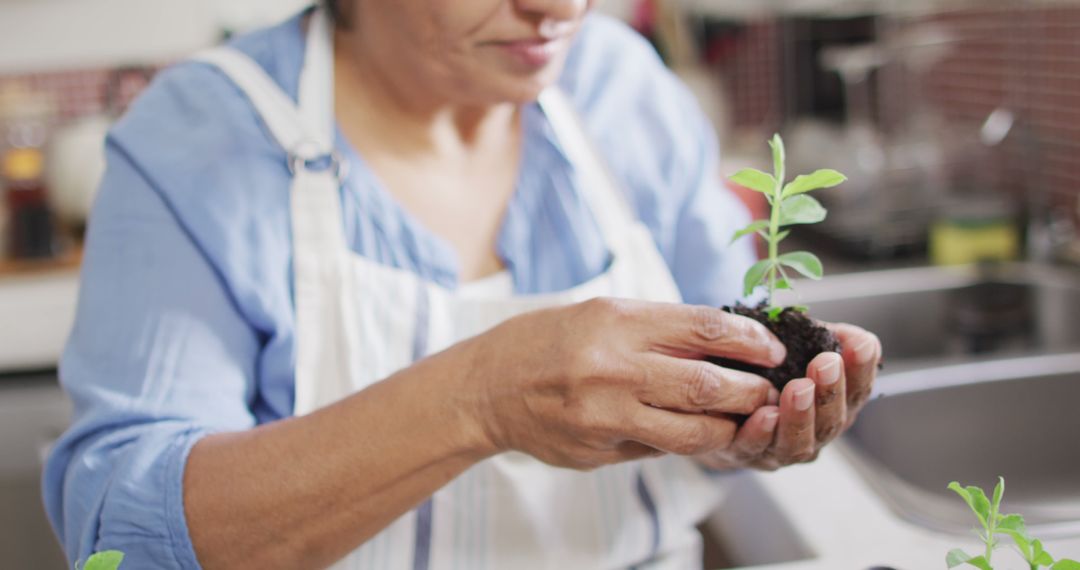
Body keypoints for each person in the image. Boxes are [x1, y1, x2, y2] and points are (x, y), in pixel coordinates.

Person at [43, 0, 882, 568]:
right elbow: (121, 531)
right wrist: (478, 398)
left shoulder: (619, 87)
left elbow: (722, 373)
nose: (558, 6)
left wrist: (754, 423)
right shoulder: (200, 142)